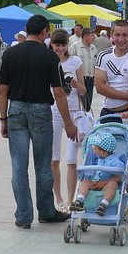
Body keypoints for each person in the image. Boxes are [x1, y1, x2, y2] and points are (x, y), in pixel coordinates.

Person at [0, 15, 78, 229]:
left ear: (26, 29)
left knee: (18, 166)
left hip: (15, 110)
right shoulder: (50, 57)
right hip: (41, 111)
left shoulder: (10, 53)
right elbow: (59, 92)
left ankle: (23, 216)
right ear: (45, 32)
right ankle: (46, 211)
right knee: (43, 165)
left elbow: (2, 89)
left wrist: (3, 118)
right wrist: (69, 123)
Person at [94, 19, 128, 215]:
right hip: (108, 113)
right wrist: (126, 94)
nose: (121, 39)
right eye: (117, 35)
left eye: (125, 35)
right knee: (101, 156)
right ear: (111, 35)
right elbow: (100, 86)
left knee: (124, 160)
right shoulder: (104, 56)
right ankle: (103, 195)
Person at [50, 29, 87, 212]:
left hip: (74, 112)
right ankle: (58, 198)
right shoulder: (48, 61)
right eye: (57, 45)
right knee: (54, 158)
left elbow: (83, 91)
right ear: (51, 45)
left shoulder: (75, 61)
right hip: (55, 112)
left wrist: (75, 85)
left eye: (63, 45)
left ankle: (72, 199)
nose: (60, 48)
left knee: (72, 159)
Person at [70, 133, 124, 216]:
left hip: (106, 186)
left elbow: (118, 177)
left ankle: (103, 204)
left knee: (112, 184)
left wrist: (104, 183)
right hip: (95, 182)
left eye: (95, 147)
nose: (93, 149)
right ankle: (79, 201)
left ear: (102, 151)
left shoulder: (115, 162)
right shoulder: (99, 159)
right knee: (85, 182)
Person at [69, 27, 97, 112]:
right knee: (79, 104)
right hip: (79, 80)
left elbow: (96, 64)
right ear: (85, 36)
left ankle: (86, 121)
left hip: (90, 79)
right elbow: (69, 62)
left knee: (88, 105)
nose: (94, 38)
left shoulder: (93, 48)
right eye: (92, 35)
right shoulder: (75, 47)